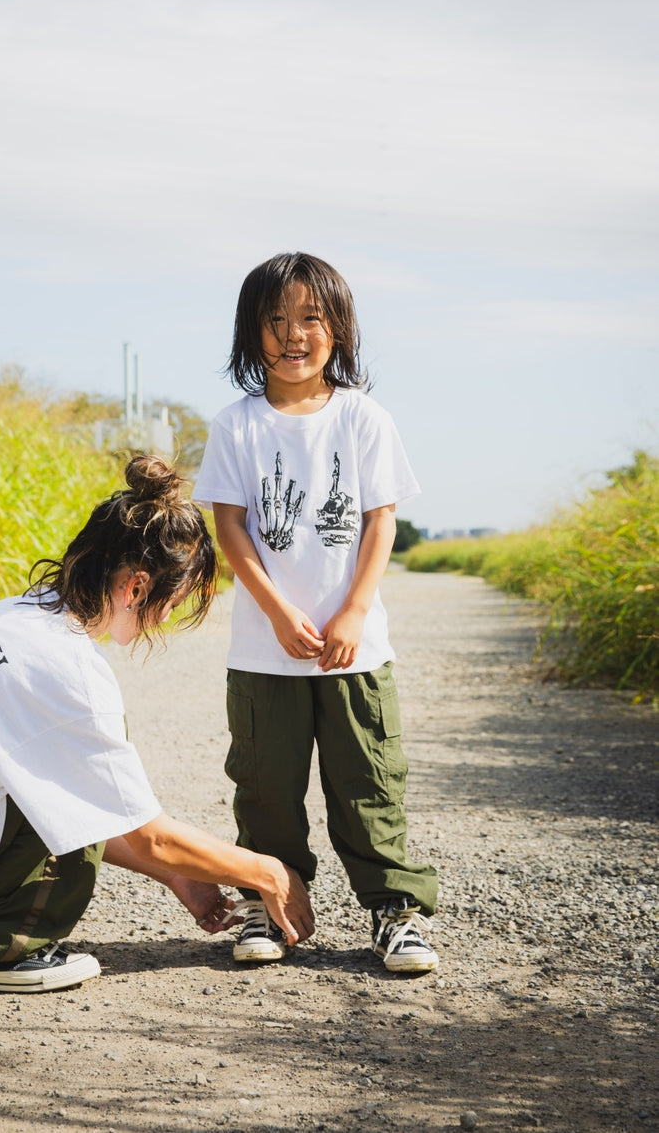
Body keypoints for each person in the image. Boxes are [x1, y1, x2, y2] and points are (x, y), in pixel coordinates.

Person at [0, 454, 314, 994]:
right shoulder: (64, 669)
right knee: (69, 779)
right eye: (172, 603)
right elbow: (148, 835)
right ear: (136, 588)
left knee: (63, 780)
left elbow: (106, 820)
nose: (166, 620)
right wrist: (267, 871)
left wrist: (177, 876)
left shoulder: (15, 616)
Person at [192, 251, 439, 972]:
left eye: (310, 317)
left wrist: (355, 610)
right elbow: (231, 525)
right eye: (275, 320)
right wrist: (272, 609)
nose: (292, 334)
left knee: (368, 783)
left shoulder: (363, 418)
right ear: (250, 333)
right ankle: (266, 908)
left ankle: (394, 912)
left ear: (338, 330)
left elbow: (381, 519)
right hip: (264, 654)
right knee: (266, 790)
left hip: (352, 652)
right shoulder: (235, 424)